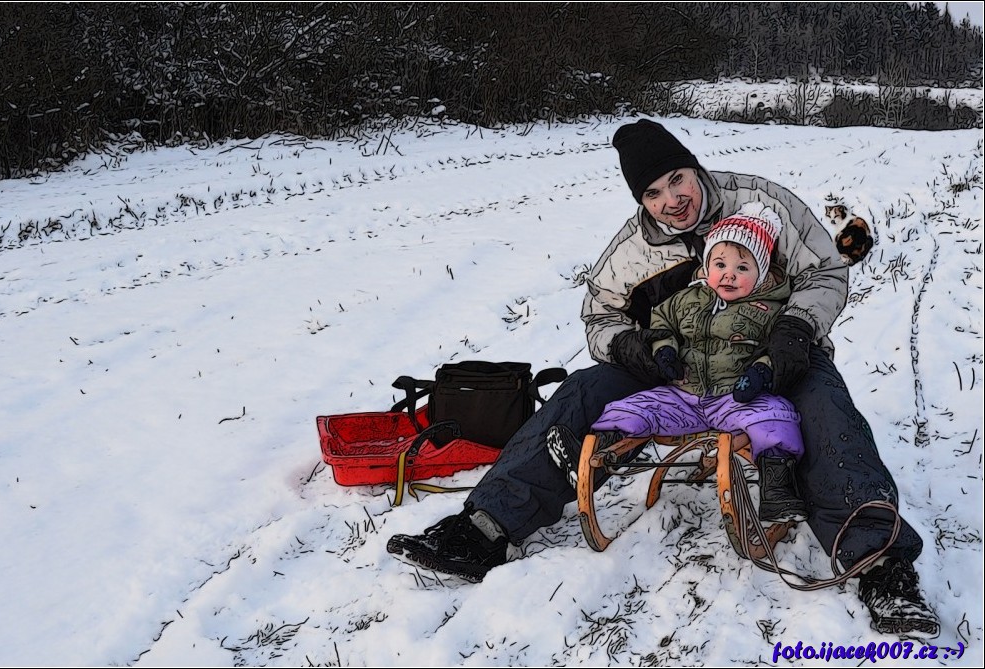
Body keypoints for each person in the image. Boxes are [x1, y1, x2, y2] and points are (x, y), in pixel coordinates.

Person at [386, 119, 940, 637]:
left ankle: (881, 566)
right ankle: (485, 528)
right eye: (653, 193)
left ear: (695, 168)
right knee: (582, 391)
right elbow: (600, 314)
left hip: (774, 354)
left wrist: (796, 328)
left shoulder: (761, 203)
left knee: (825, 413)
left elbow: (826, 268)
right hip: (678, 371)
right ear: (642, 201)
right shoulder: (634, 250)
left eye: (678, 180)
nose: (672, 200)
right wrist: (631, 346)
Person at [546, 202, 808, 523]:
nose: (729, 274)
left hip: (736, 399)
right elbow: (661, 324)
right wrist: (664, 350)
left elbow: (780, 346)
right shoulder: (687, 299)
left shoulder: (769, 308)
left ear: (761, 273)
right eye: (720, 264)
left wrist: (762, 371)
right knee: (633, 407)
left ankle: (778, 490)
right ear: (707, 265)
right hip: (683, 395)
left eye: (742, 268)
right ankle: (597, 455)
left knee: (777, 417)